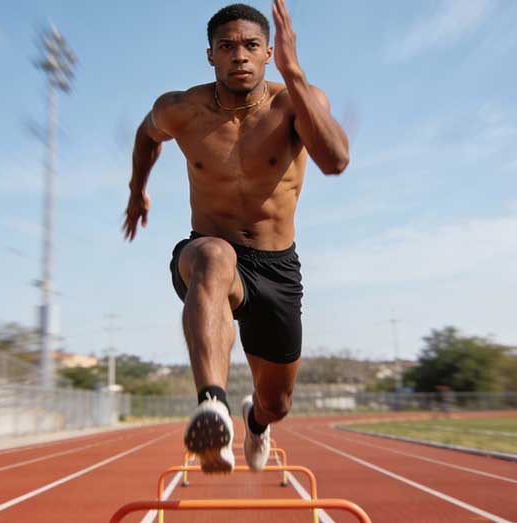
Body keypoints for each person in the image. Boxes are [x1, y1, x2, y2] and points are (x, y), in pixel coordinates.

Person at [122, 0, 349, 473]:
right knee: (214, 255)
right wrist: (137, 191)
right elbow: (146, 134)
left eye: (250, 46)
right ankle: (212, 406)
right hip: (209, 250)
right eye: (227, 47)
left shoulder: (295, 102)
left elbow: (335, 161)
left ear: (268, 52)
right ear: (210, 55)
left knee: (277, 403)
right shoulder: (181, 109)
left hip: (276, 267)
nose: (239, 56)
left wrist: (296, 72)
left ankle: (255, 421)